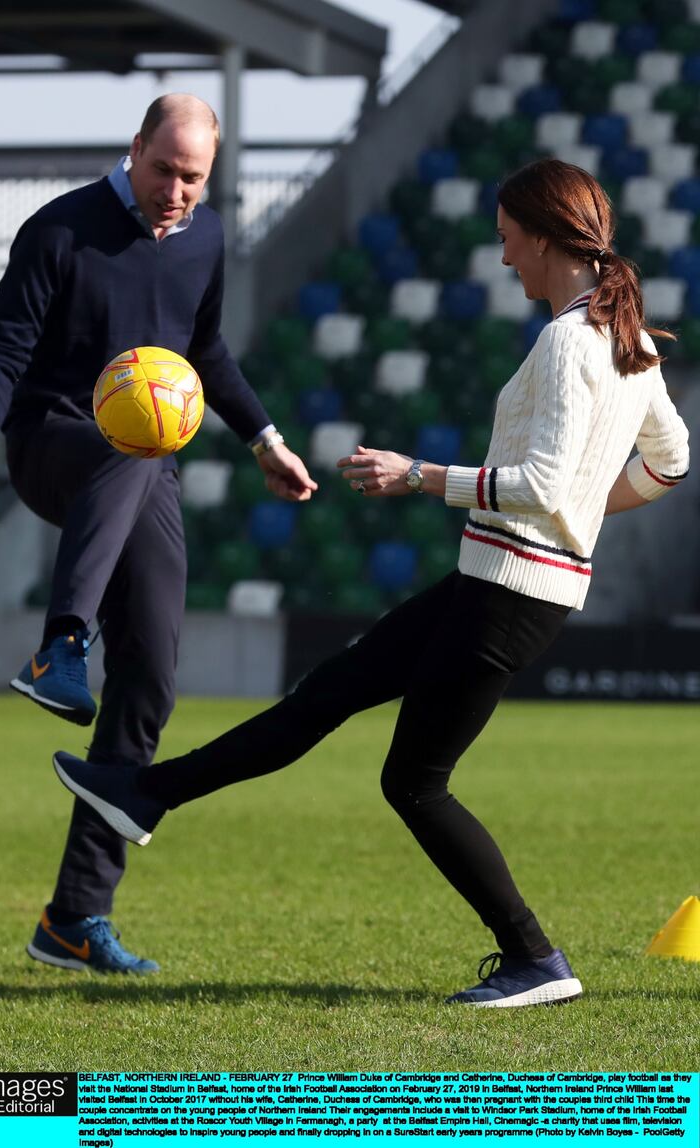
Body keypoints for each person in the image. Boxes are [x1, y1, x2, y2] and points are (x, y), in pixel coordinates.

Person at [51, 158, 690, 1004]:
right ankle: (145, 794)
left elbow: (542, 485)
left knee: (413, 783)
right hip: (497, 580)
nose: (504, 261)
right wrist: (587, 514)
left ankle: (537, 960)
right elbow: (671, 464)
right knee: (329, 691)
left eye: (507, 242)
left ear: (542, 237)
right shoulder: (628, 338)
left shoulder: (571, 341)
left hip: (512, 593)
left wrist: (418, 473)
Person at [0, 93, 316, 975]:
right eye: (164, 170)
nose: (178, 192)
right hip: (51, 441)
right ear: (134, 146)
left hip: (145, 462)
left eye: (195, 178)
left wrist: (266, 439)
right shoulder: (60, 229)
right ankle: (59, 645)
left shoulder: (207, 239)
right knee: (139, 433)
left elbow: (205, 353)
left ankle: (74, 918)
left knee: (150, 680)